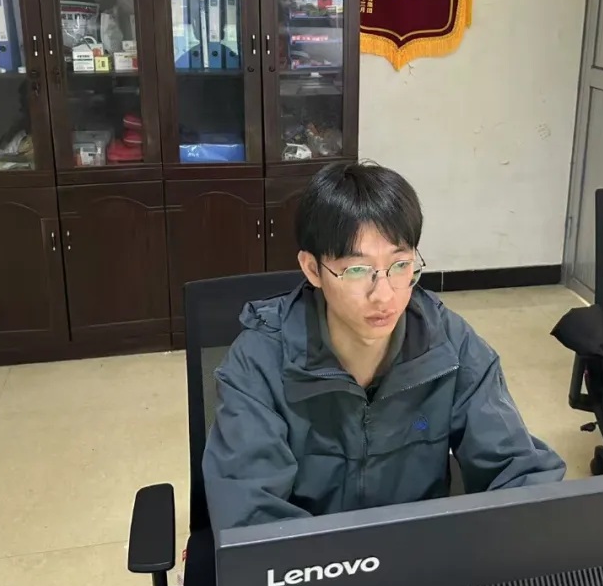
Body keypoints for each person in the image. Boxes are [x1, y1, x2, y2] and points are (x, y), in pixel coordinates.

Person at [203, 161, 566, 533]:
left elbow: (519, 469)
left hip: (420, 553)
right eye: (357, 270)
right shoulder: (260, 361)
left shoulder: (448, 342)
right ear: (312, 270)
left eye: (400, 265)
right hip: (314, 562)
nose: (384, 295)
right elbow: (251, 516)